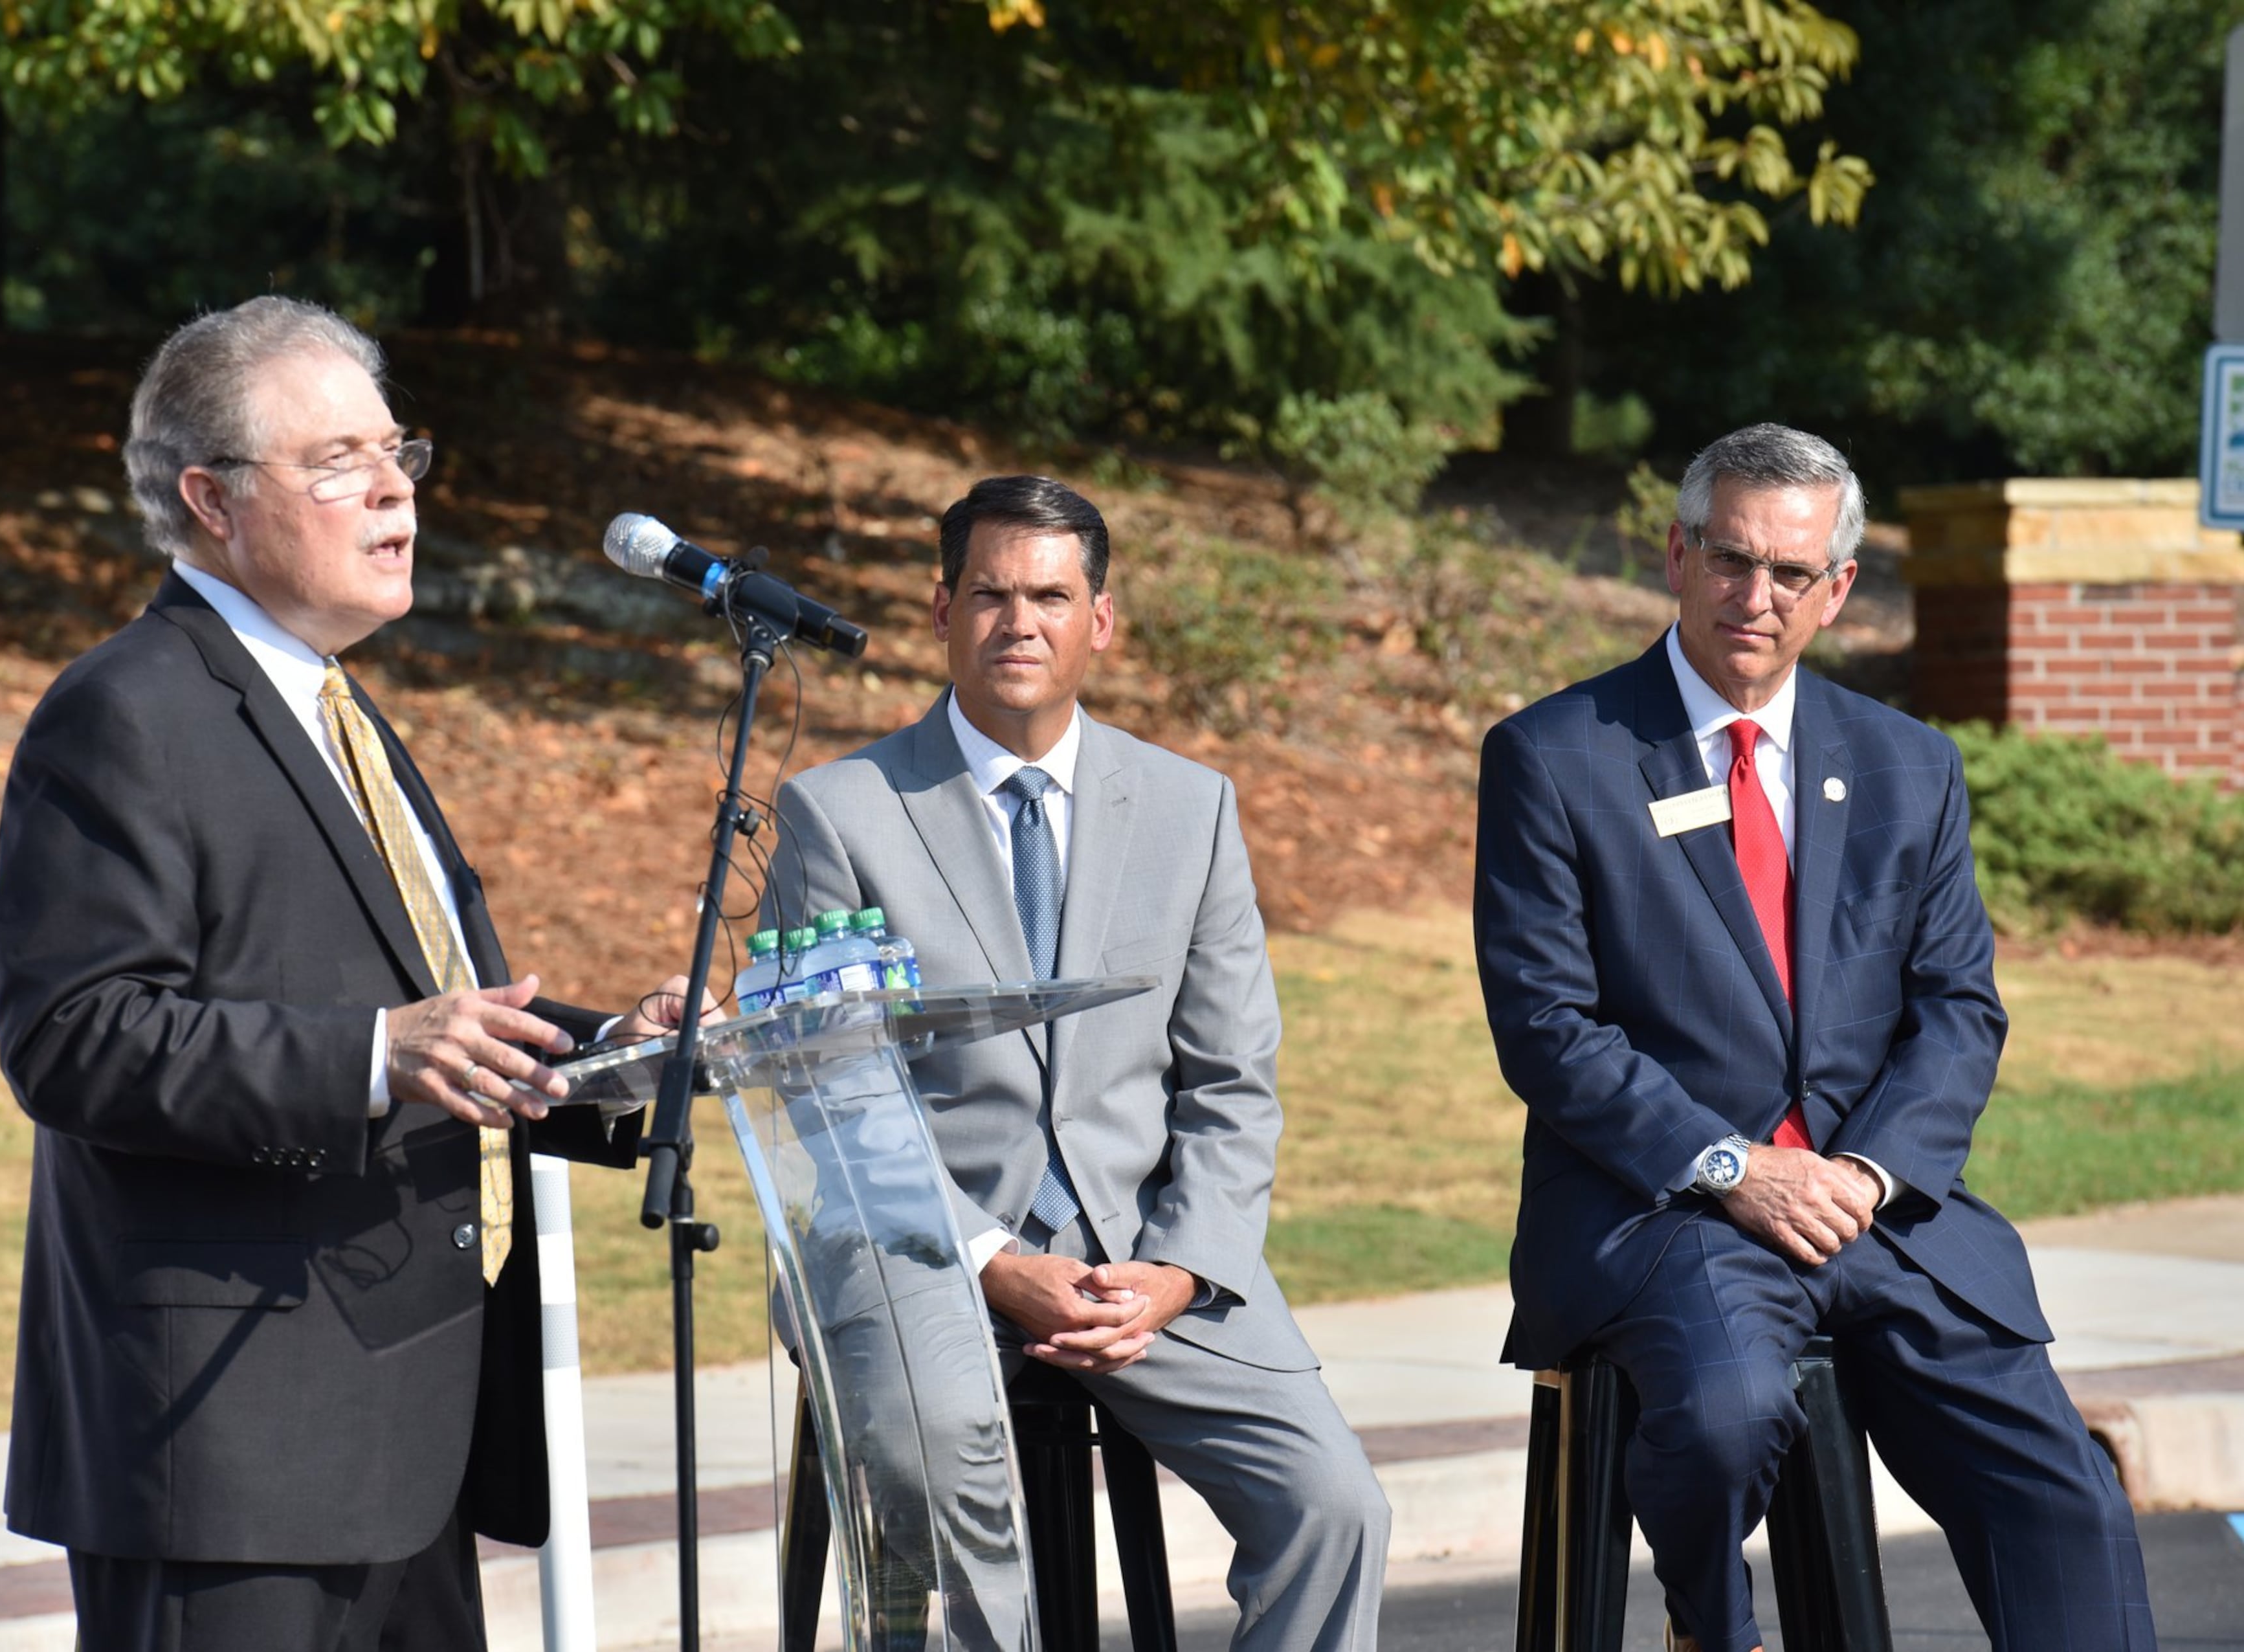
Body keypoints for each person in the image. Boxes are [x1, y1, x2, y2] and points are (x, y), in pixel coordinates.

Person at [0, 295, 699, 1649]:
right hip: (231, 1448)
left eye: (398, 454)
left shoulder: (335, 707)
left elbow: (436, 1010)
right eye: (338, 462)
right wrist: (377, 1058)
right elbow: (76, 1038)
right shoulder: (122, 712)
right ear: (211, 499)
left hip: (409, 1433)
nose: (394, 490)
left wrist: (625, 1047)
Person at [1472, 423, 2155, 1651]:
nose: (1756, 596)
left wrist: (1865, 1172)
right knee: (1731, 1412)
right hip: (1671, 1209)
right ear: (1676, 557)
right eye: (1731, 559)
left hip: (1875, 1210)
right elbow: (1546, 1026)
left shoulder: (1908, 765)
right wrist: (1735, 1167)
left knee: (2066, 1493)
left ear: (1837, 590)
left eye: (1791, 574)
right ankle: (1710, 1625)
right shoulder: (1556, 756)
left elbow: (1959, 1009)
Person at [762, 474, 1390, 1651]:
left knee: (1336, 1508)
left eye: (1052, 596)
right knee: (955, 1507)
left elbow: (1232, 1082)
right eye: (991, 595)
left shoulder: (1190, 808)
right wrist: (992, 1258)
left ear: (1100, 619)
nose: (1021, 624)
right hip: (921, 1254)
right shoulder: (838, 812)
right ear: (942, 607)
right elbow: (836, 1093)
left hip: (1140, 1257)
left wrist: (1179, 1272)